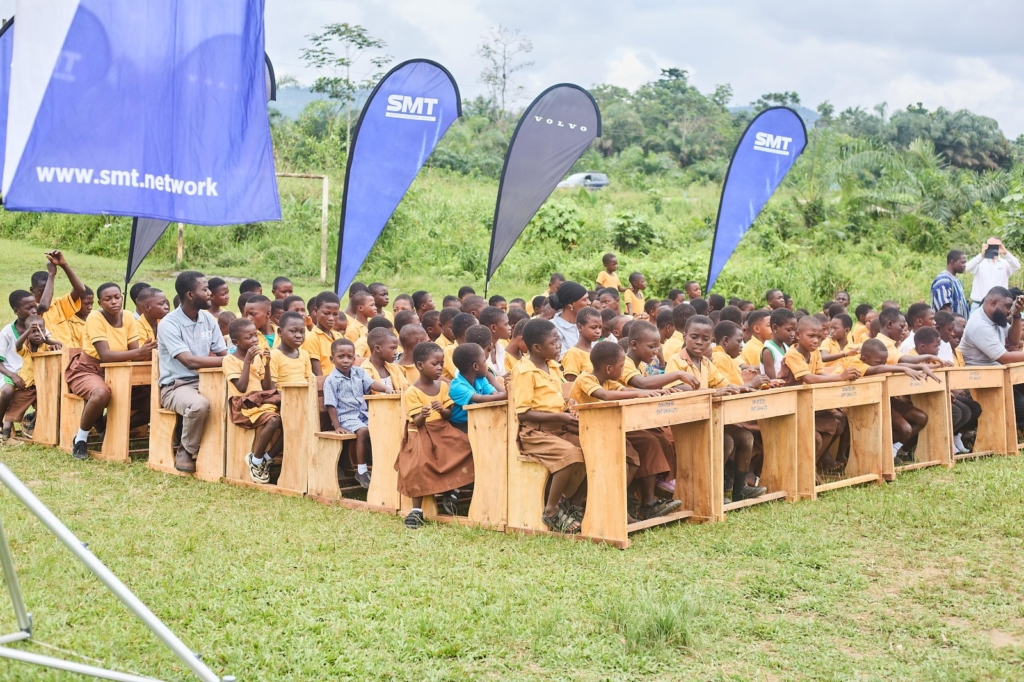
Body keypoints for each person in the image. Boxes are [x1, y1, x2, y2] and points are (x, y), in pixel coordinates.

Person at [569, 341, 681, 520]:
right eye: (621, 367)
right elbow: (605, 396)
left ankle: (642, 503)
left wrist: (660, 392)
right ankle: (610, 505)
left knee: (649, 442)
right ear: (608, 368)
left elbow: (627, 390)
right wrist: (639, 393)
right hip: (585, 430)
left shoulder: (609, 382)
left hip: (608, 428)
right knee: (631, 455)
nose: (622, 371)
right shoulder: (586, 379)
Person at [511, 319, 587, 534]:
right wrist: (561, 418)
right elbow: (523, 412)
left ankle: (574, 504)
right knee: (571, 454)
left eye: (559, 340)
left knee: (593, 448)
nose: (559, 345)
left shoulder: (552, 366)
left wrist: (568, 407)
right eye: (554, 342)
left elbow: (554, 400)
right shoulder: (526, 371)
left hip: (558, 427)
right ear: (537, 347)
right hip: (535, 432)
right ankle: (552, 510)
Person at [65, 283, 155, 460]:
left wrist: (148, 350)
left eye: (117, 297)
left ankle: (107, 428)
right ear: (100, 302)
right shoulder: (95, 318)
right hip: (89, 369)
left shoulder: (128, 316)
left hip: (121, 370)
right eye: (108, 299)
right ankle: (81, 439)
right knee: (100, 393)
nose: (114, 302)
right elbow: (105, 355)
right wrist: (139, 352)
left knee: (151, 405)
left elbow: (136, 355)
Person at [398, 342, 476, 529]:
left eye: (441, 363)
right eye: (435, 363)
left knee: (467, 447)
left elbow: (448, 414)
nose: (440, 367)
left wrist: (442, 410)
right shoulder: (412, 391)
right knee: (418, 462)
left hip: (442, 428)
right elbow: (415, 421)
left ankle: (453, 489)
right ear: (420, 366)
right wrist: (422, 416)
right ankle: (417, 510)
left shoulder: (442, 387)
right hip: (420, 432)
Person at [157, 271, 227, 473]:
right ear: (189, 295)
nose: (210, 294)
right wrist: (231, 360)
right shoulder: (169, 324)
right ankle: (186, 450)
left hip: (207, 380)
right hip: (176, 386)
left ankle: (227, 454)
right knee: (199, 405)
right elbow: (188, 361)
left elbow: (222, 351)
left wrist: (235, 359)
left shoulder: (207, 319)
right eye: (204, 290)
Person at [778, 316, 860, 478]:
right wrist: (840, 377)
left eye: (819, 337)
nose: (816, 341)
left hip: (808, 404)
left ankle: (814, 464)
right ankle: (805, 471)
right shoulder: (793, 354)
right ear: (798, 335)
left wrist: (846, 373)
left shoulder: (814, 353)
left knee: (839, 420)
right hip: (789, 406)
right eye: (811, 336)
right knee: (815, 438)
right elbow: (808, 378)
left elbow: (821, 374)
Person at [853, 338, 938, 460]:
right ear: (864, 359)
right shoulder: (856, 363)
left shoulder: (877, 361)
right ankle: (882, 453)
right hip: (868, 402)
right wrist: (905, 369)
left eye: (884, 362)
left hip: (886, 398)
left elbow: (895, 365)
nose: (882, 365)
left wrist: (920, 367)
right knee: (905, 429)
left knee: (921, 418)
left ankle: (894, 448)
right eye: (879, 362)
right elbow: (878, 369)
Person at [323, 337, 389, 489]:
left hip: (362, 414)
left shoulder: (358, 372)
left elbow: (371, 383)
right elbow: (330, 405)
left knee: (382, 427)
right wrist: (337, 426)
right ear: (332, 359)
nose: (346, 360)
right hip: (345, 418)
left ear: (354, 358)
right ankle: (361, 470)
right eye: (341, 357)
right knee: (364, 431)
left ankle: (380, 467)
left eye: (349, 357)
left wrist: (385, 389)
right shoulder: (332, 380)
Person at [223, 318, 282, 484]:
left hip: (260, 400)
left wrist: (268, 365)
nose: (254, 340)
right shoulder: (229, 360)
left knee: (292, 421)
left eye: (255, 335)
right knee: (274, 420)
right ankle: (255, 460)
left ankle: (267, 458)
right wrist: (247, 361)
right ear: (236, 342)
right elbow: (241, 388)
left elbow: (267, 387)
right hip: (243, 405)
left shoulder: (258, 358)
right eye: (249, 337)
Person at [959, 286, 1024, 423]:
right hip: (980, 381)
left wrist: (1017, 315)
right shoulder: (980, 325)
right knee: (1020, 404)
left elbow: (1014, 339)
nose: (1009, 311)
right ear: (993, 303)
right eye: (1007, 306)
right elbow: (1005, 358)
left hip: (997, 376)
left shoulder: (996, 318)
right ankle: (1008, 437)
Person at [0, 314, 60, 443]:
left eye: (41, 331)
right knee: (13, 411)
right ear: (27, 333)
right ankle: (5, 434)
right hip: (25, 386)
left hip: (40, 386)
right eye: (34, 332)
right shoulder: (25, 348)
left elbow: (62, 346)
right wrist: (27, 332)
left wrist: (50, 342)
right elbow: (17, 345)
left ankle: (31, 426)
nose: (38, 334)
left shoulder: (45, 346)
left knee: (44, 406)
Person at [449, 342, 507, 434]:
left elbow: (493, 393)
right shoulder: (457, 386)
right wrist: (505, 395)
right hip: (460, 425)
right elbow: (480, 399)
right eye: (484, 361)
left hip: (477, 419)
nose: (487, 365)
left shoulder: (481, 379)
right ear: (475, 366)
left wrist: (505, 394)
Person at [32, 251, 87, 348]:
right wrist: (52, 274)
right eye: (42, 291)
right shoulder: (30, 310)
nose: (47, 293)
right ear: (32, 290)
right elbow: (44, 306)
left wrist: (64, 265)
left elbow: (80, 290)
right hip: (46, 358)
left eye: (49, 289)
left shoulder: (59, 304)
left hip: (68, 355)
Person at [966, 238, 1020, 313]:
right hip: (978, 304)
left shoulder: (1004, 263)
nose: (993, 248)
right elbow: (967, 268)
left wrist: (1006, 253)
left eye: (996, 245)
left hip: (999, 305)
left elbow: (1017, 266)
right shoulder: (980, 262)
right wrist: (981, 255)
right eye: (990, 245)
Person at [302, 292, 340, 376]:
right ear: (316, 311)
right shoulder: (311, 338)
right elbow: (317, 376)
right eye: (326, 313)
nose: (331, 318)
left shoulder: (339, 336)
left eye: (335, 314)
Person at [362, 327, 408, 394]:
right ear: (377, 348)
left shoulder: (394, 367)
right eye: (392, 348)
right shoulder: (364, 370)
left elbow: (405, 388)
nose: (396, 352)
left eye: (396, 348)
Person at [550, 281, 589, 360]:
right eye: (585, 300)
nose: (589, 303)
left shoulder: (588, 324)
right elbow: (561, 358)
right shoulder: (552, 328)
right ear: (571, 304)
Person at [561, 306, 601, 381]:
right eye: (594, 327)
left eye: (600, 327)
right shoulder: (573, 354)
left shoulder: (596, 352)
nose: (598, 331)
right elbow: (571, 385)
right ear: (580, 327)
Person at [931, 250, 969, 318]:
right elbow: (944, 308)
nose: (965, 265)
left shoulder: (956, 280)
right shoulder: (943, 280)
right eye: (962, 262)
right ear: (953, 262)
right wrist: (953, 324)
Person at [761, 309, 796, 380]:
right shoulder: (768, 351)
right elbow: (773, 381)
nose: (793, 334)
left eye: (794, 330)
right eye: (789, 330)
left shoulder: (786, 347)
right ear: (775, 328)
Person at [441, 313, 478, 381]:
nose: (479, 332)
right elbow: (459, 375)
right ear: (467, 333)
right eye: (477, 329)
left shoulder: (475, 349)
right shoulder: (450, 351)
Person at [478, 305, 510, 375]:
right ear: (493, 328)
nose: (509, 328)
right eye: (506, 324)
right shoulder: (478, 352)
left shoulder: (500, 348)